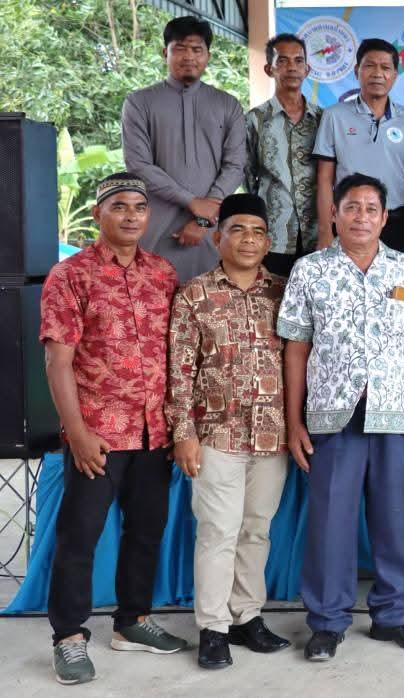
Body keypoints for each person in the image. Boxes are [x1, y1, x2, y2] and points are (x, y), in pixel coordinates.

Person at [277, 173, 404, 662]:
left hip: (396, 414)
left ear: (385, 218)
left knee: (395, 519)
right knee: (330, 521)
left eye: (371, 209)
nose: (361, 216)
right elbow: (296, 347)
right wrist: (293, 421)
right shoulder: (309, 271)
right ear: (334, 214)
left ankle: (393, 615)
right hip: (332, 414)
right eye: (352, 207)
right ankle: (327, 621)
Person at [40, 173, 186, 686]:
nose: (131, 215)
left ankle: (132, 621)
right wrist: (76, 432)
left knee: (146, 531)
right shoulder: (71, 275)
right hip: (97, 434)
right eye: (119, 206)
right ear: (98, 213)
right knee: (79, 537)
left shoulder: (162, 273)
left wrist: (176, 425)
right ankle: (68, 636)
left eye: (139, 207)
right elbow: (58, 361)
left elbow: (174, 355)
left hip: (153, 433)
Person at [166, 193, 290, 669]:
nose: (248, 240)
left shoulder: (284, 292)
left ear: (268, 242)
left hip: (273, 436)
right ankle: (213, 627)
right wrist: (184, 432)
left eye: (258, 232)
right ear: (217, 238)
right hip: (216, 435)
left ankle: (246, 617)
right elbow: (179, 371)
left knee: (256, 530)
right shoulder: (194, 295)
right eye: (237, 230)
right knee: (218, 530)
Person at [122, 16, 246, 282]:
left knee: (211, 301)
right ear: (164, 53)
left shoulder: (228, 105)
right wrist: (192, 202)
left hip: (212, 232)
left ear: (208, 56)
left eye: (197, 49)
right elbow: (138, 165)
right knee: (152, 300)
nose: (189, 56)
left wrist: (203, 219)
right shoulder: (139, 103)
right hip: (156, 229)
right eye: (179, 48)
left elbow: (236, 166)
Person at [312, 39, 404, 259]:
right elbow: (324, 177)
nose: (377, 74)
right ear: (357, 70)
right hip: (349, 220)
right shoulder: (334, 116)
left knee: (396, 281)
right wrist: (325, 231)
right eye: (369, 66)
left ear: (395, 74)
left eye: (385, 67)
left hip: (396, 222)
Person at [245, 33, 322, 277]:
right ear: (269, 69)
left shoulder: (323, 120)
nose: (292, 68)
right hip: (274, 234)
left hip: (318, 234)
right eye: (283, 61)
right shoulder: (255, 120)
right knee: (273, 295)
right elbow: (247, 175)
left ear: (307, 69)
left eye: (298, 61)